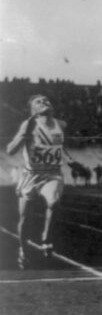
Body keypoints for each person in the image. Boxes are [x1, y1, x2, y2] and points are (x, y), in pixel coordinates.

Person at [6, 95, 68, 269]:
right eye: (38, 101)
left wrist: (71, 161)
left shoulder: (61, 124)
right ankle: (23, 250)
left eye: (47, 99)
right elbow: (10, 150)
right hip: (31, 175)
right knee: (24, 218)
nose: (44, 102)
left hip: (53, 174)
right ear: (32, 109)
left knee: (53, 202)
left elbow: (61, 146)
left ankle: (46, 239)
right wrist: (23, 135)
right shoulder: (28, 124)